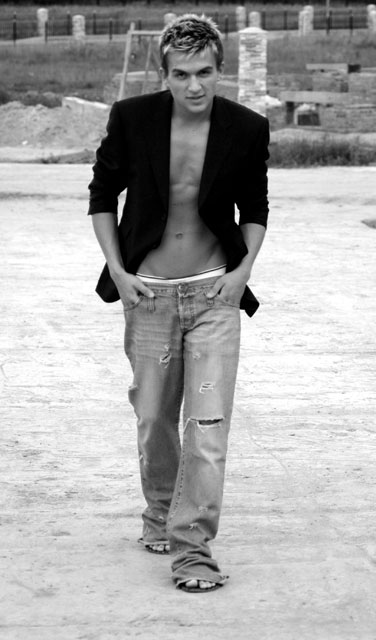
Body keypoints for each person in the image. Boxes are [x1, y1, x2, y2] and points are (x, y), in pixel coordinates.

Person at [88, 14, 269, 593]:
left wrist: (242, 273)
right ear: (164, 74)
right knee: (154, 419)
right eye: (182, 74)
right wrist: (120, 273)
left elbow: (255, 207)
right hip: (149, 294)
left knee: (207, 427)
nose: (195, 85)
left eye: (206, 73)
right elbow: (102, 196)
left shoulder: (246, 127)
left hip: (215, 293)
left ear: (221, 70)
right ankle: (160, 511)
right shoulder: (132, 118)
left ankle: (194, 550)